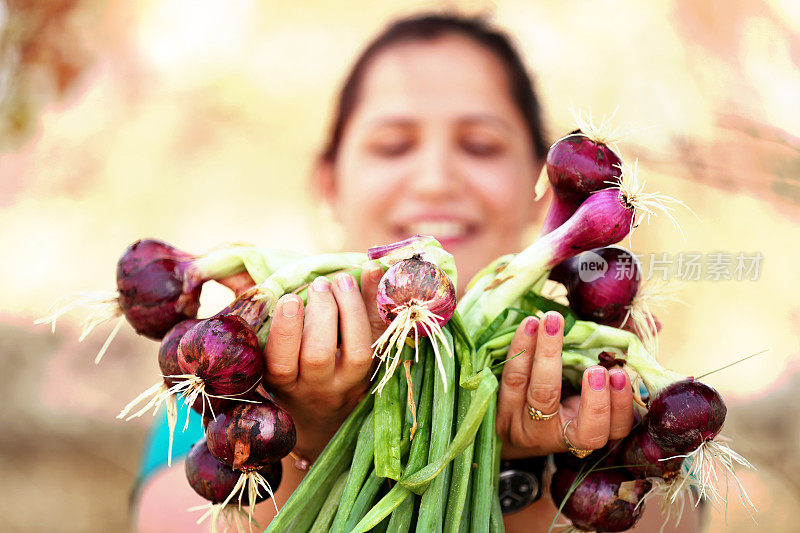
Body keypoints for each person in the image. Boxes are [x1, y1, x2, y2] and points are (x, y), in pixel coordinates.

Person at [135, 13, 701, 532]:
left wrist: (514, 465)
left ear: (539, 185)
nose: (435, 179)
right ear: (329, 185)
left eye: (480, 146)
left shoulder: (605, 374)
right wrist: (314, 440)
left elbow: (675, 521)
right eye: (392, 145)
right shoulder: (232, 385)